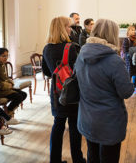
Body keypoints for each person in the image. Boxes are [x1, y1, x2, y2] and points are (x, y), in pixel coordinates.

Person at [75, 19, 134, 163]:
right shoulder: (114, 61)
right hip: (109, 123)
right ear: (112, 35)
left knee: (92, 156)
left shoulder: (82, 54)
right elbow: (126, 92)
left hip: (87, 118)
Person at [42, 16, 85, 163]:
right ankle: (78, 159)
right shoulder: (71, 47)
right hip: (72, 92)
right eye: (68, 26)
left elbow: (47, 72)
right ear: (62, 28)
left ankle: (55, 160)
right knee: (74, 126)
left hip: (56, 92)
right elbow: (77, 71)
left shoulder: (46, 48)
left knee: (58, 125)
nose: (70, 29)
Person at [0, 48, 27, 117]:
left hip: (4, 89)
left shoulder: (1, 64)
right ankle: (6, 114)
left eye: (7, 55)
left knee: (23, 94)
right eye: (3, 56)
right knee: (18, 97)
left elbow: (4, 78)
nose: (6, 58)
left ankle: (7, 112)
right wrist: (6, 85)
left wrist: (10, 83)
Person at [122, 26, 136, 93]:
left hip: (134, 58)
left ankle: (135, 87)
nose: (133, 31)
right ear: (128, 31)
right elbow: (125, 51)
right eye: (132, 30)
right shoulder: (126, 39)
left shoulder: (135, 39)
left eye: (134, 30)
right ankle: (127, 87)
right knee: (129, 72)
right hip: (128, 58)